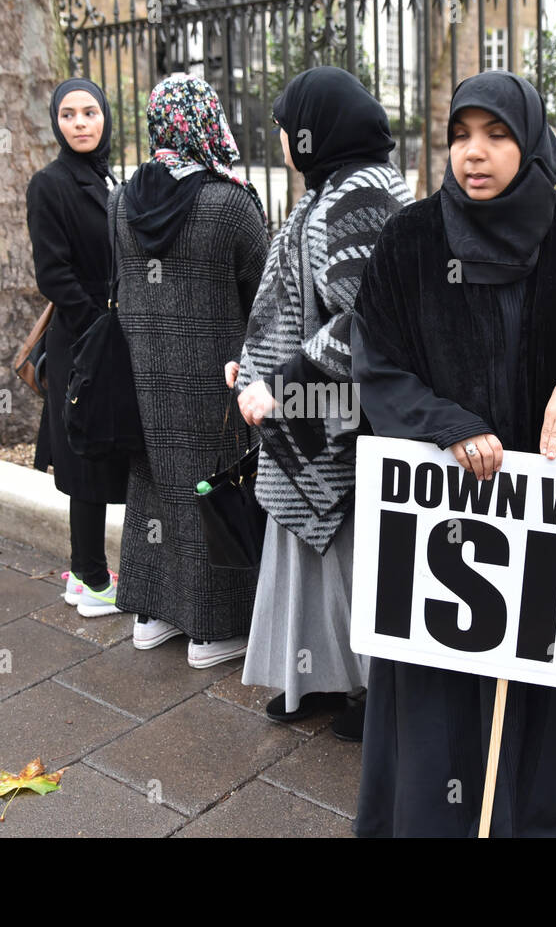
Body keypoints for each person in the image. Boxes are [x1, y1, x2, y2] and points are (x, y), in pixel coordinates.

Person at [350, 71, 556, 836]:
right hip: (446, 514)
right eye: (459, 135)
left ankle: (542, 812)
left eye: (496, 135)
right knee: (443, 674)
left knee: (539, 662)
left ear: (531, 141)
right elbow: (374, 366)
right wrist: (447, 423)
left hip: (543, 515)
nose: (473, 154)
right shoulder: (410, 239)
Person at [230, 66, 412, 738]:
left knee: (348, 554)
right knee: (316, 553)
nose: (278, 137)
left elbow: (369, 321)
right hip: (319, 419)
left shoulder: (353, 197)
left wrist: (282, 384)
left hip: (337, 423)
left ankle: (369, 695)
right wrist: (254, 367)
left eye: (283, 126)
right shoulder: (340, 187)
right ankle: (322, 681)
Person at [110, 75, 268, 668]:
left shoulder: (121, 199)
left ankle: (151, 618)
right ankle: (211, 631)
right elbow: (265, 295)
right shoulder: (230, 203)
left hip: (143, 375)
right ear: (208, 119)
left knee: (155, 488)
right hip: (216, 377)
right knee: (212, 488)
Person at [26, 78, 130, 618]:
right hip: (84, 339)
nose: (81, 123)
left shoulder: (109, 174)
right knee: (86, 454)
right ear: (57, 123)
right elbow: (53, 274)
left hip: (109, 333)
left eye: (90, 112)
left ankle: (85, 570)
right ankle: (90, 579)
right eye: (68, 115)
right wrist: (98, 327)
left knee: (102, 447)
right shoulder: (50, 183)